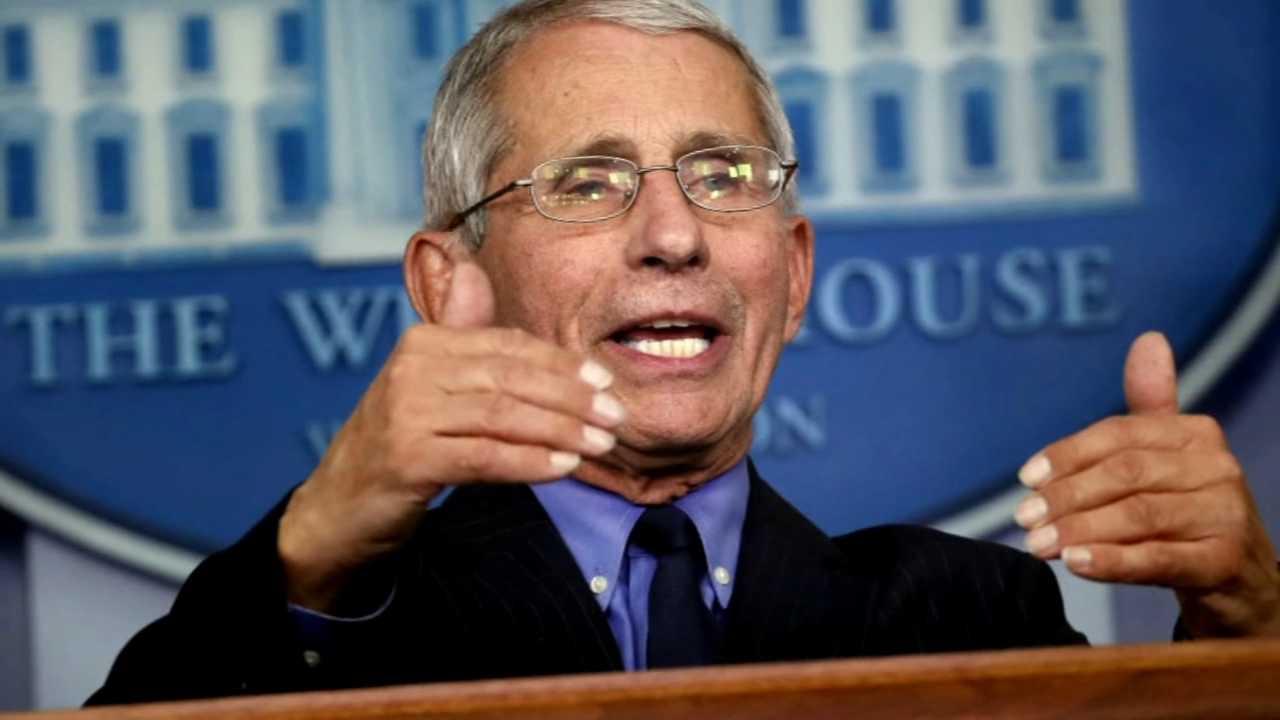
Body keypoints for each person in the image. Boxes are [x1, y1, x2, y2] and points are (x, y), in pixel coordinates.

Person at [88, 0, 1280, 705]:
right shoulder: (332, 625)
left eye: (723, 174)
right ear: (452, 287)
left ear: (792, 275)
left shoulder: (970, 617)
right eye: (586, 182)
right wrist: (312, 545)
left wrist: (1247, 626)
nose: (673, 234)